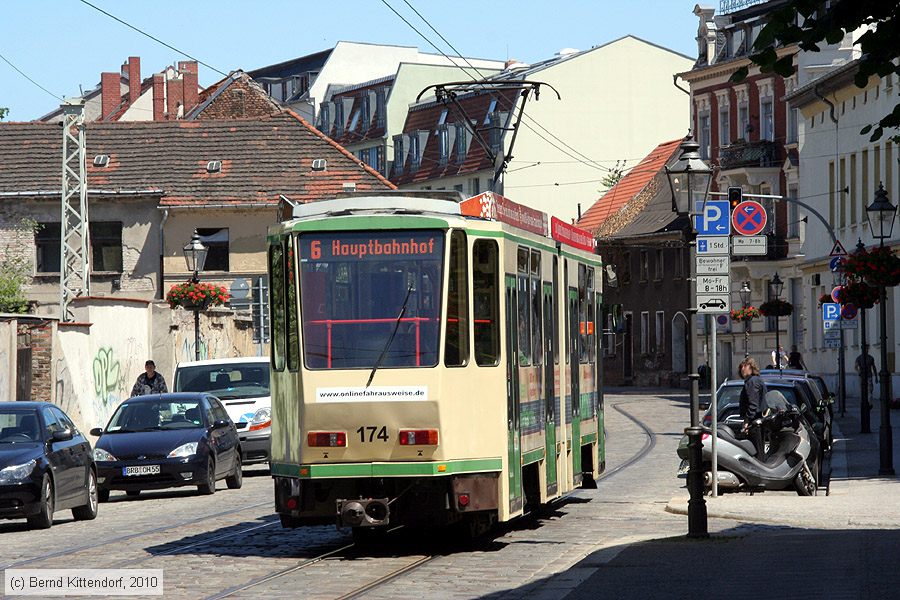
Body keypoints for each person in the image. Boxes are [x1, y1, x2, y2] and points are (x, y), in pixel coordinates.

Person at [738, 357, 767, 459]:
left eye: (744, 366)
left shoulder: (752, 382)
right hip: (757, 421)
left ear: (751, 367)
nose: (742, 369)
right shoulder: (755, 380)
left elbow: (753, 404)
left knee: (756, 452)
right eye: (741, 366)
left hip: (755, 422)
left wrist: (747, 421)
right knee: (758, 450)